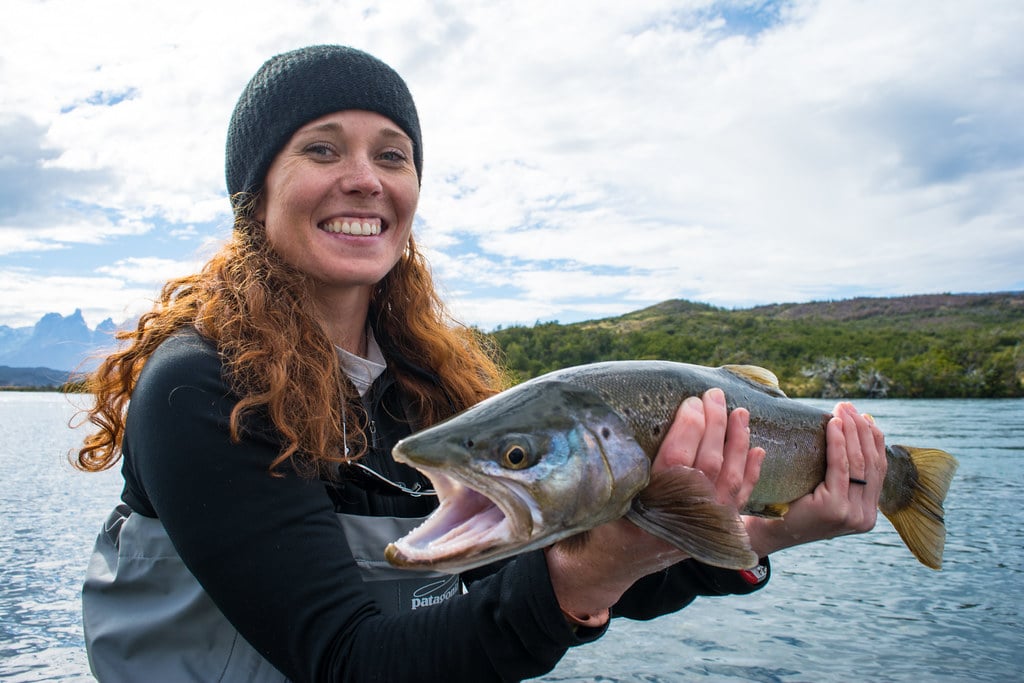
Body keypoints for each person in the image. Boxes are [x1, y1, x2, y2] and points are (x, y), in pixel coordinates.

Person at [75, 45, 887, 683]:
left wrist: (768, 532)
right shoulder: (198, 387)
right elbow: (350, 662)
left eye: (392, 156)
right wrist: (581, 581)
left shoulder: (432, 393)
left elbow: (566, 580)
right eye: (323, 149)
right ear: (255, 193)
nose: (364, 179)